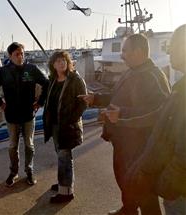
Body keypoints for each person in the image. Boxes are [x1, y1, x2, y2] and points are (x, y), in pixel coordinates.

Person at [79, 34, 171, 215]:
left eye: (124, 51)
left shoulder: (153, 75)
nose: (122, 55)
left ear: (138, 52)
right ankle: (128, 209)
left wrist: (121, 114)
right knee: (123, 179)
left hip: (141, 145)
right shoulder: (131, 71)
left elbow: (161, 111)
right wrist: (96, 98)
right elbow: (116, 96)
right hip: (123, 141)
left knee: (144, 190)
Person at [126, 24, 186, 215]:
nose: (169, 51)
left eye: (173, 45)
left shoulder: (155, 76)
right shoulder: (180, 87)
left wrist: (169, 181)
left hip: (178, 190)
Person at [0, 42, 49, 187]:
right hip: (12, 115)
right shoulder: (3, 71)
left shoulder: (31, 69)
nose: (20, 56)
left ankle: (29, 171)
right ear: (10, 56)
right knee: (12, 145)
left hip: (28, 114)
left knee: (29, 144)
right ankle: (13, 172)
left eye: (22, 53)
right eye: (17, 54)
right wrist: (0, 102)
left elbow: (46, 83)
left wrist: (40, 102)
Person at [43, 50, 87, 203]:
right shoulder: (53, 80)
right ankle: (64, 183)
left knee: (64, 157)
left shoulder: (75, 79)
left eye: (63, 60)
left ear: (68, 63)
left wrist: (71, 120)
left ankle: (66, 192)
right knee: (62, 156)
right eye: (57, 61)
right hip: (55, 125)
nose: (61, 63)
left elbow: (83, 103)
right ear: (53, 65)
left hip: (68, 126)